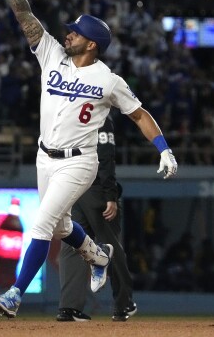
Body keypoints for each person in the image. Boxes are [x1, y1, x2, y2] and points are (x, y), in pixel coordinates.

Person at [0, 0, 178, 319]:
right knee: (60, 227)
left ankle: (14, 294)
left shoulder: (108, 80)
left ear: (92, 44)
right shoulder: (51, 53)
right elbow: (23, 14)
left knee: (42, 223)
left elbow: (139, 115)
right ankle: (97, 256)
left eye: (76, 32)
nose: (68, 34)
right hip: (46, 156)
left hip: (80, 162)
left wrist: (164, 149)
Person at [57, 114, 137, 322]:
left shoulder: (69, 112)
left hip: (71, 187)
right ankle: (123, 304)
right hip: (96, 190)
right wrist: (110, 194)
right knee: (111, 244)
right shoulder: (99, 115)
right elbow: (105, 155)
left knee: (73, 245)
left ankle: (69, 307)